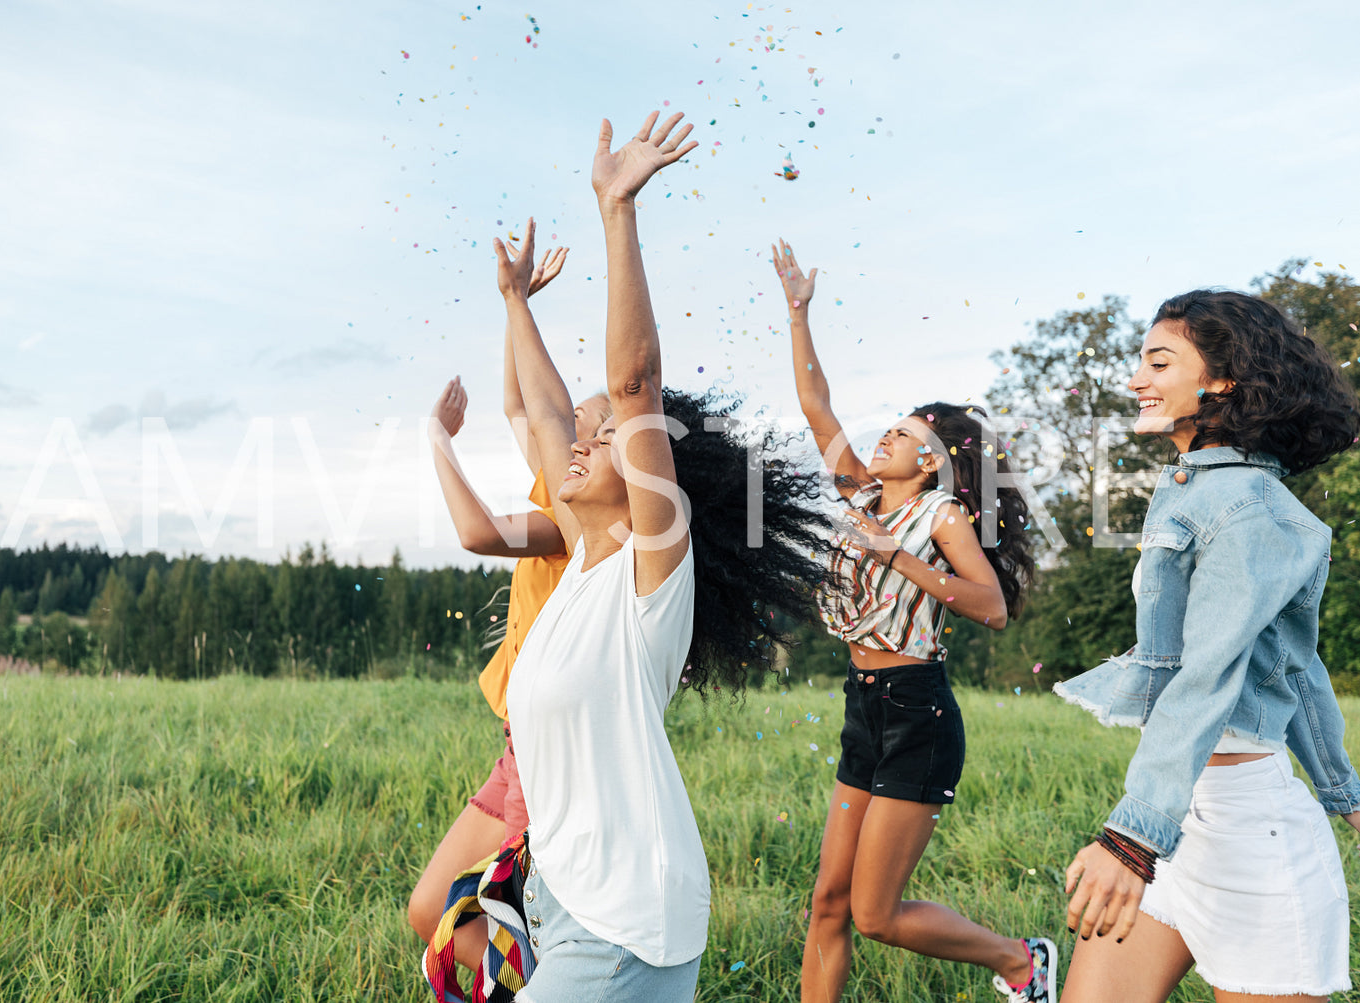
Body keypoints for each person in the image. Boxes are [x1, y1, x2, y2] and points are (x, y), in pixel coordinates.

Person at [501, 112, 833, 1001]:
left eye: (603, 438)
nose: (579, 441)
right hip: (570, 909)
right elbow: (542, 416)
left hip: (623, 923)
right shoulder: (583, 566)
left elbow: (635, 383)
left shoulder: (652, 569)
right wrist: (514, 306)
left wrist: (617, 213)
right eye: (587, 432)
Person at [1054, 289, 1360, 1003]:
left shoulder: (1248, 509)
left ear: (1220, 379)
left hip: (1255, 845)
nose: (1137, 378)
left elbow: (1209, 676)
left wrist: (1129, 839)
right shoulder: (1189, 491)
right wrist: (1345, 789)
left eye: (1158, 361)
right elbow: (1294, 663)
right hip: (1187, 823)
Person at [770, 239, 1054, 1003]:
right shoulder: (865, 497)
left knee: (874, 912)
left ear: (928, 462)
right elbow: (814, 406)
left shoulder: (940, 513)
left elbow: (989, 606)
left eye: (901, 434)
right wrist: (799, 314)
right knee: (827, 902)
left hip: (917, 713)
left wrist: (900, 557)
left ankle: (1021, 961)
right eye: (887, 430)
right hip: (863, 705)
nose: (883, 439)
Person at [408, 243, 612, 982]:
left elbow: (474, 533)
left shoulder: (573, 522)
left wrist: (435, 440)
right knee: (431, 907)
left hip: (549, 757)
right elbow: (523, 404)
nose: (560, 432)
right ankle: (548, 984)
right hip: (516, 746)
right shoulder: (555, 493)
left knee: (548, 936)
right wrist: (514, 301)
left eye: (582, 424)